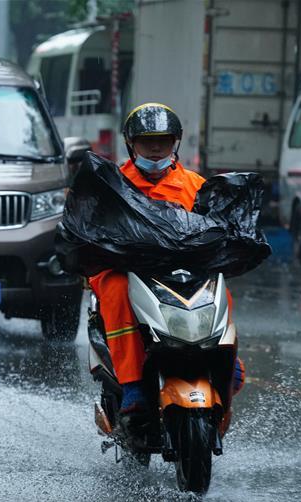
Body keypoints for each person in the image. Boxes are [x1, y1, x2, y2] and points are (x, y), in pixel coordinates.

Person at [88, 102, 245, 433]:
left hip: (181, 271)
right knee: (115, 290)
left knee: (221, 290)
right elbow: (91, 226)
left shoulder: (195, 185)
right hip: (126, 269)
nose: (156, 148)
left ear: (175, 141)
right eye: (147, 141)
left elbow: (215, 228)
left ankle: (228, 362)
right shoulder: (113, 183)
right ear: (131, 144)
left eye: (163, 139)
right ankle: (131, 388)